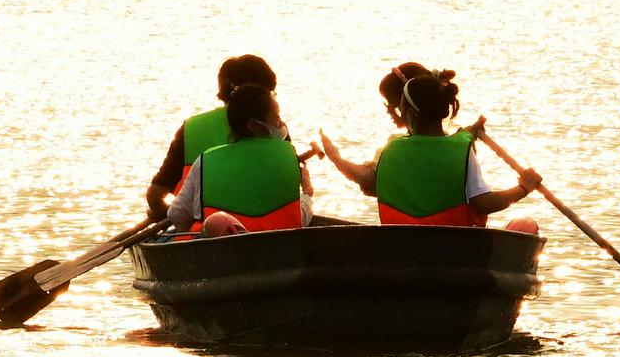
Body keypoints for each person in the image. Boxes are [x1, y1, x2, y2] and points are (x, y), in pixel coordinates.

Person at [318, 70, 540, 229]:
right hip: (457, 256)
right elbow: (483, 203)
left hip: (403, 258)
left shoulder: (391, 150)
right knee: (527, 227)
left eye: (400, 108)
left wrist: (336, 159)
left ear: (411, 114)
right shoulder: (462, 150)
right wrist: (523, 188)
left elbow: (369, 180)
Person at [167, 82, 313, 235]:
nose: (281, 124)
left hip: (218, 251)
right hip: (280, 249)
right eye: (276, 118)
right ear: (254, 125)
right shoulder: (288, 156)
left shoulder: (205, 160)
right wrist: (307, 194)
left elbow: (176, 216)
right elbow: (299, 220)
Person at [145, 54, 276, 219]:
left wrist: (168, 216)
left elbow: (155, 197)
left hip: (197, 235)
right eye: (270, 94)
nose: (273, 101)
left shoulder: (191, 129)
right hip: (268, 232)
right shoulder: (273, 128)